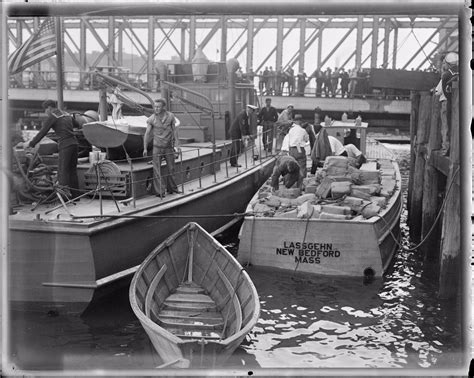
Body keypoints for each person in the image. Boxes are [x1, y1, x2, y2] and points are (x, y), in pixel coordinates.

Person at [17, 99, 79, 199]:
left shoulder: (53, 116)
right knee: (72, 171)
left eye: (45, 110)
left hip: (65, 145)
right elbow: (77, 125)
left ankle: (63, 198)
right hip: (75, 144)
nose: (45, 113)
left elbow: (42, 132)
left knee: (63, 171)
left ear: (49, 108)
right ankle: (76, 196)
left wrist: (31, 144)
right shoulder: (66, 114)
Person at [143, 98, 181, 197]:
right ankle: (160, 191)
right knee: (157, 170)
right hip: (157, 148)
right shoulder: (152, 118)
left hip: (168, 147)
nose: (156, 109)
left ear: (163, 107)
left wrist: (177, 144)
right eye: (155, 107)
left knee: (171, 168)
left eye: (158, 107)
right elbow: (147, 134)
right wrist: (145, 148)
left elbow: (175, 131)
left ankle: (172, 188)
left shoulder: (171, 116)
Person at [435, 52, 458, 155]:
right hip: (457, 105)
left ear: (446, 63)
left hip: (446, 103)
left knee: (445, 126)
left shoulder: (446, 75)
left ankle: (445, 149)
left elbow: (438, 92)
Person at [281, 114, 309, 180]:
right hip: (299, 148)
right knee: (302, 164)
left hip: (292, 149)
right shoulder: (303, 130)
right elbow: (307, 140)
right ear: (300, 121)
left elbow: (288, 140)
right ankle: (302, 182)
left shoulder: (291, 130)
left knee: (291, 165)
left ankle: (289, 180)